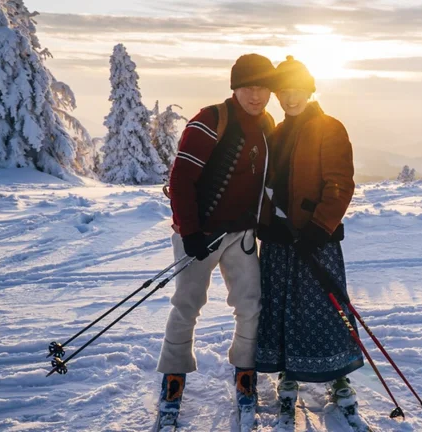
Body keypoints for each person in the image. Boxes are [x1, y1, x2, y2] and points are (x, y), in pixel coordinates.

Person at [156, 54, 276, 430]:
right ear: (234, 87)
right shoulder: (210, 120)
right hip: (200, 235)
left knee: (250, 304)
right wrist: (190, 232)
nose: (256, 96)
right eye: (248, 87)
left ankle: (245, 371)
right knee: (187, 304)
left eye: (263, 87)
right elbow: (180, 180)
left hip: (240, 234)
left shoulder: (267, 124)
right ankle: (174, 377)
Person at [256, 56, 365, 427]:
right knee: (281, 308)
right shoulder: (274, 132)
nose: (290, 98)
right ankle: (288, 374)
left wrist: (319, 228)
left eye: (297, 90)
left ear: (310, 89)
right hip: (278, 241)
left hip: (315, 240)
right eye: (284, 91)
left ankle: (338, 379)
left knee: (324, 309)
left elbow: (340, 183)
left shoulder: (329, 127)